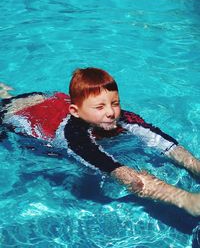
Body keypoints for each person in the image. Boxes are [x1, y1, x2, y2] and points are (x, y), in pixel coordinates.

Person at [1, 67, 200, 217]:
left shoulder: (121, 117)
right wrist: (184, 199)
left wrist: (195, 166)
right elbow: (117, 171)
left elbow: (165, 144)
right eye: (100, 107)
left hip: (54, 101)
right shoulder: (75, 137)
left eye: (115, 103)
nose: (110, 112)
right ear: (76, 112)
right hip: (20, 115)